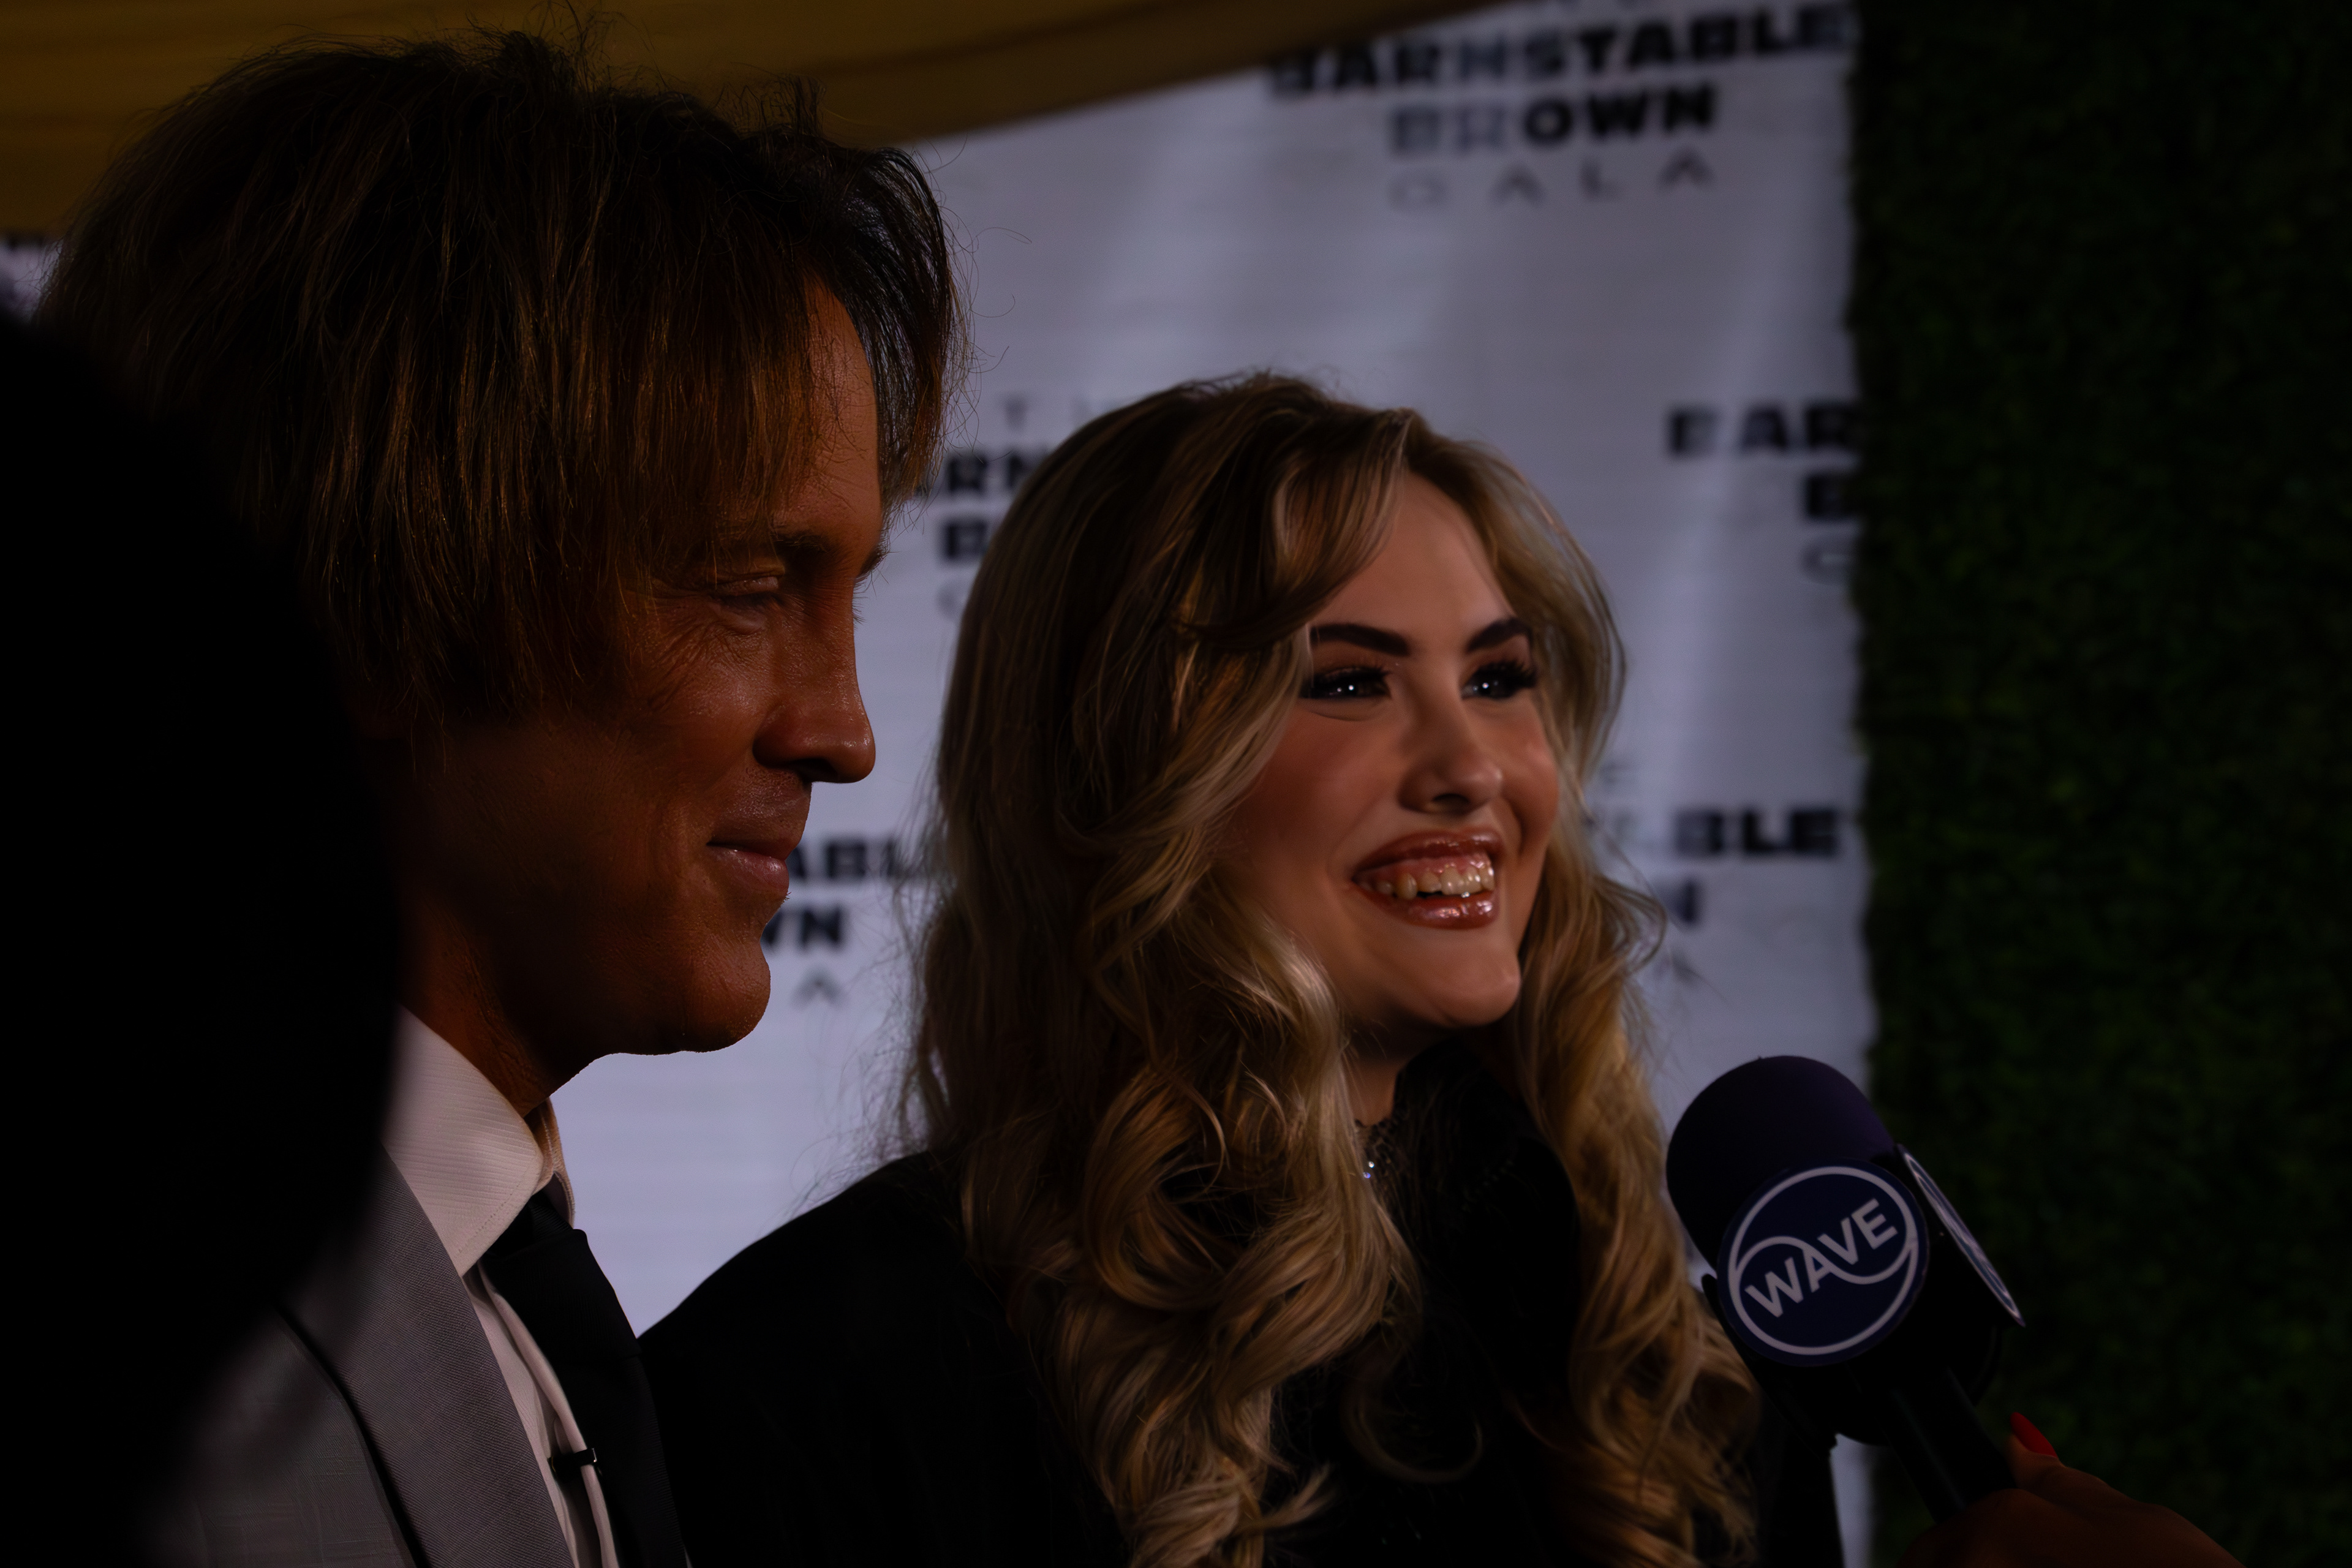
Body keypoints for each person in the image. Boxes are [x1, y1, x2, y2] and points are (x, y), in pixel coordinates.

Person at [36, 28, 958, 1568]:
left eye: (850, 592)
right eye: (746, 586)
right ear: (352, 598)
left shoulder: (497, 1284)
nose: (845, 732)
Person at [643, 375, 1811, 1566]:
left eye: (1498, 677)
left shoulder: (1635, 1341)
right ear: (1118, 771)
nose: (1473, 766)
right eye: (1350, 681)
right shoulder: (816, 1375)